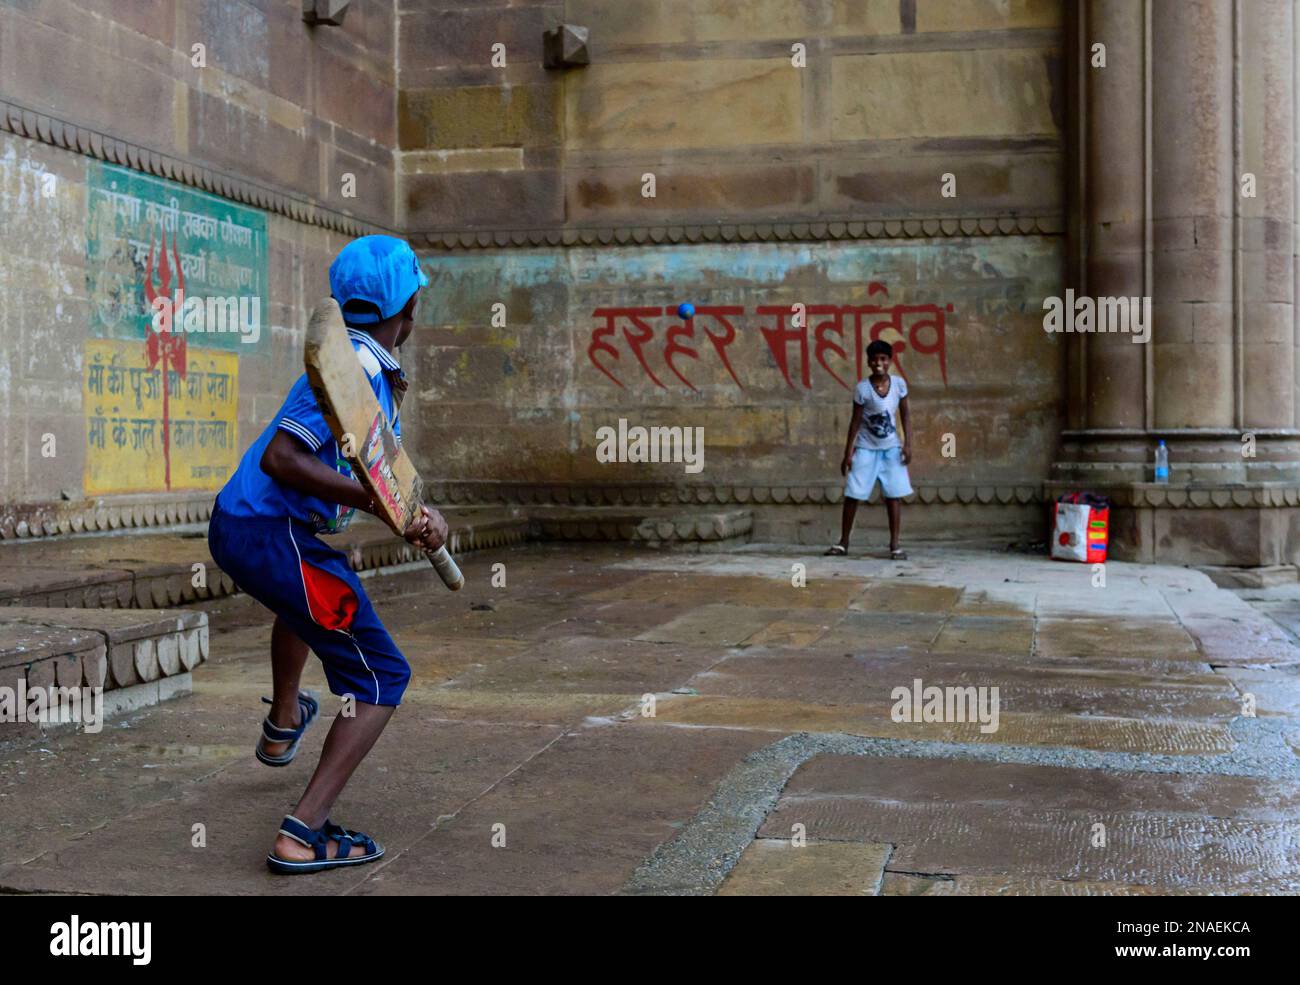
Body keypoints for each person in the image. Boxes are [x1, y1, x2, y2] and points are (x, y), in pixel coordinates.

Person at [207, 235, 447, 873]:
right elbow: (281, 458)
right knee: (381, 677)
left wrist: (418, 514)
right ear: (410, 308)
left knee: (308, 600)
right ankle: (300, 834)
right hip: (265, 532)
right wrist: (377, 503)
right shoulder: (355, 367)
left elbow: (384, 473)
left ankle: (284, 722)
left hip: (248, 527)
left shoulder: (368, 367)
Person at [827, 339, 913, 560]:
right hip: (866, 448)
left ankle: (895, 544)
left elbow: (905, 415)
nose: (878, 363)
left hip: (891, 448)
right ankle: (844, 542)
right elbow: (855, 422)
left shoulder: (899, 385)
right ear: (868, 362)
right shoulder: (862, 389)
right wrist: (848, 453)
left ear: (890, 361)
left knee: (893, 496)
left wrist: (908, 444)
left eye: (883, 359)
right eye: (874, 359)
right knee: (853, 494)